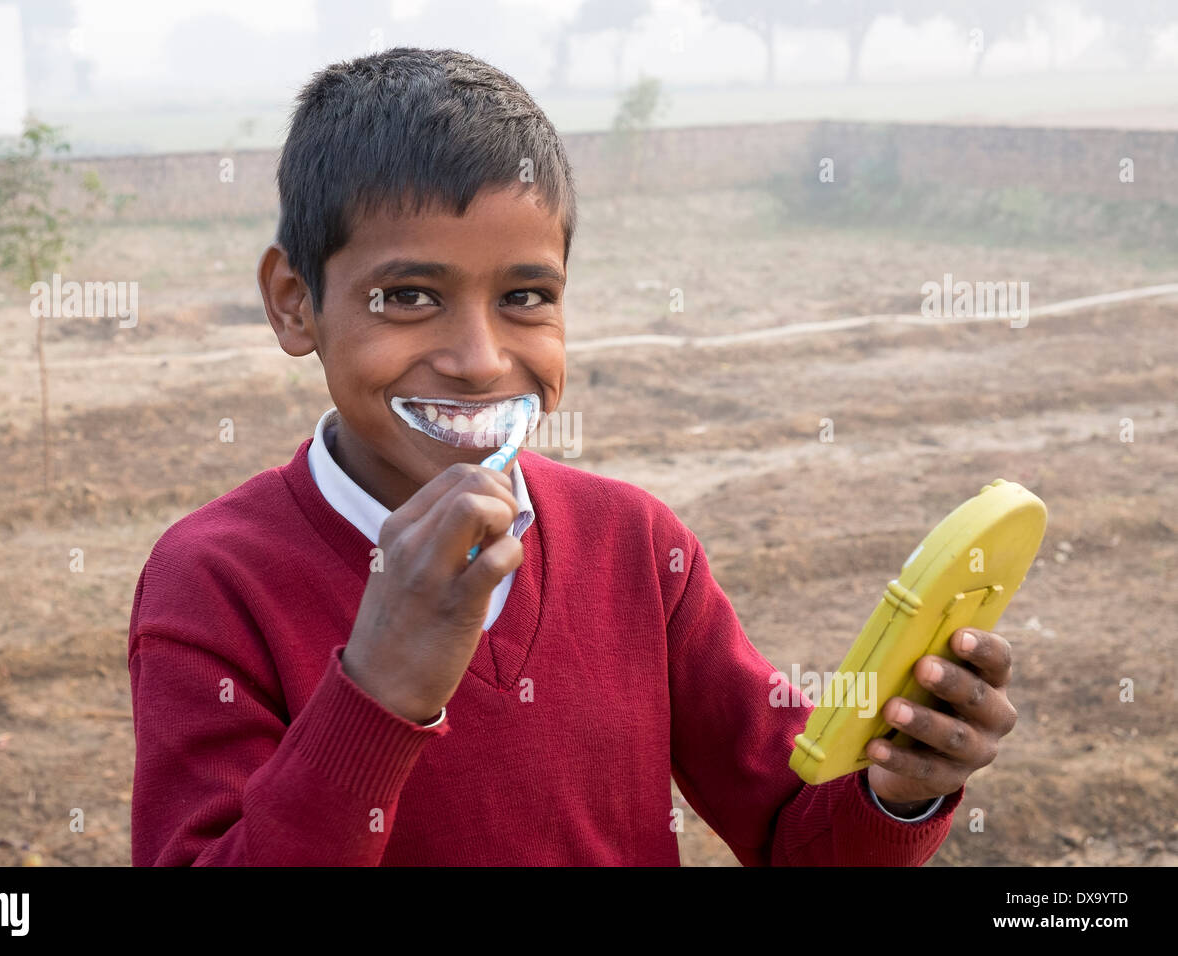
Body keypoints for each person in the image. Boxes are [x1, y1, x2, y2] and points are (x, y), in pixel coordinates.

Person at [127, 47, 1018, 866]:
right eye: (408, 296)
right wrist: (380, 685)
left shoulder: (636, 545)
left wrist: (900, 792)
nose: (479, 359)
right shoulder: (213, 582)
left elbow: (799, 835)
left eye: (525, 296)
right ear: (294, 303)